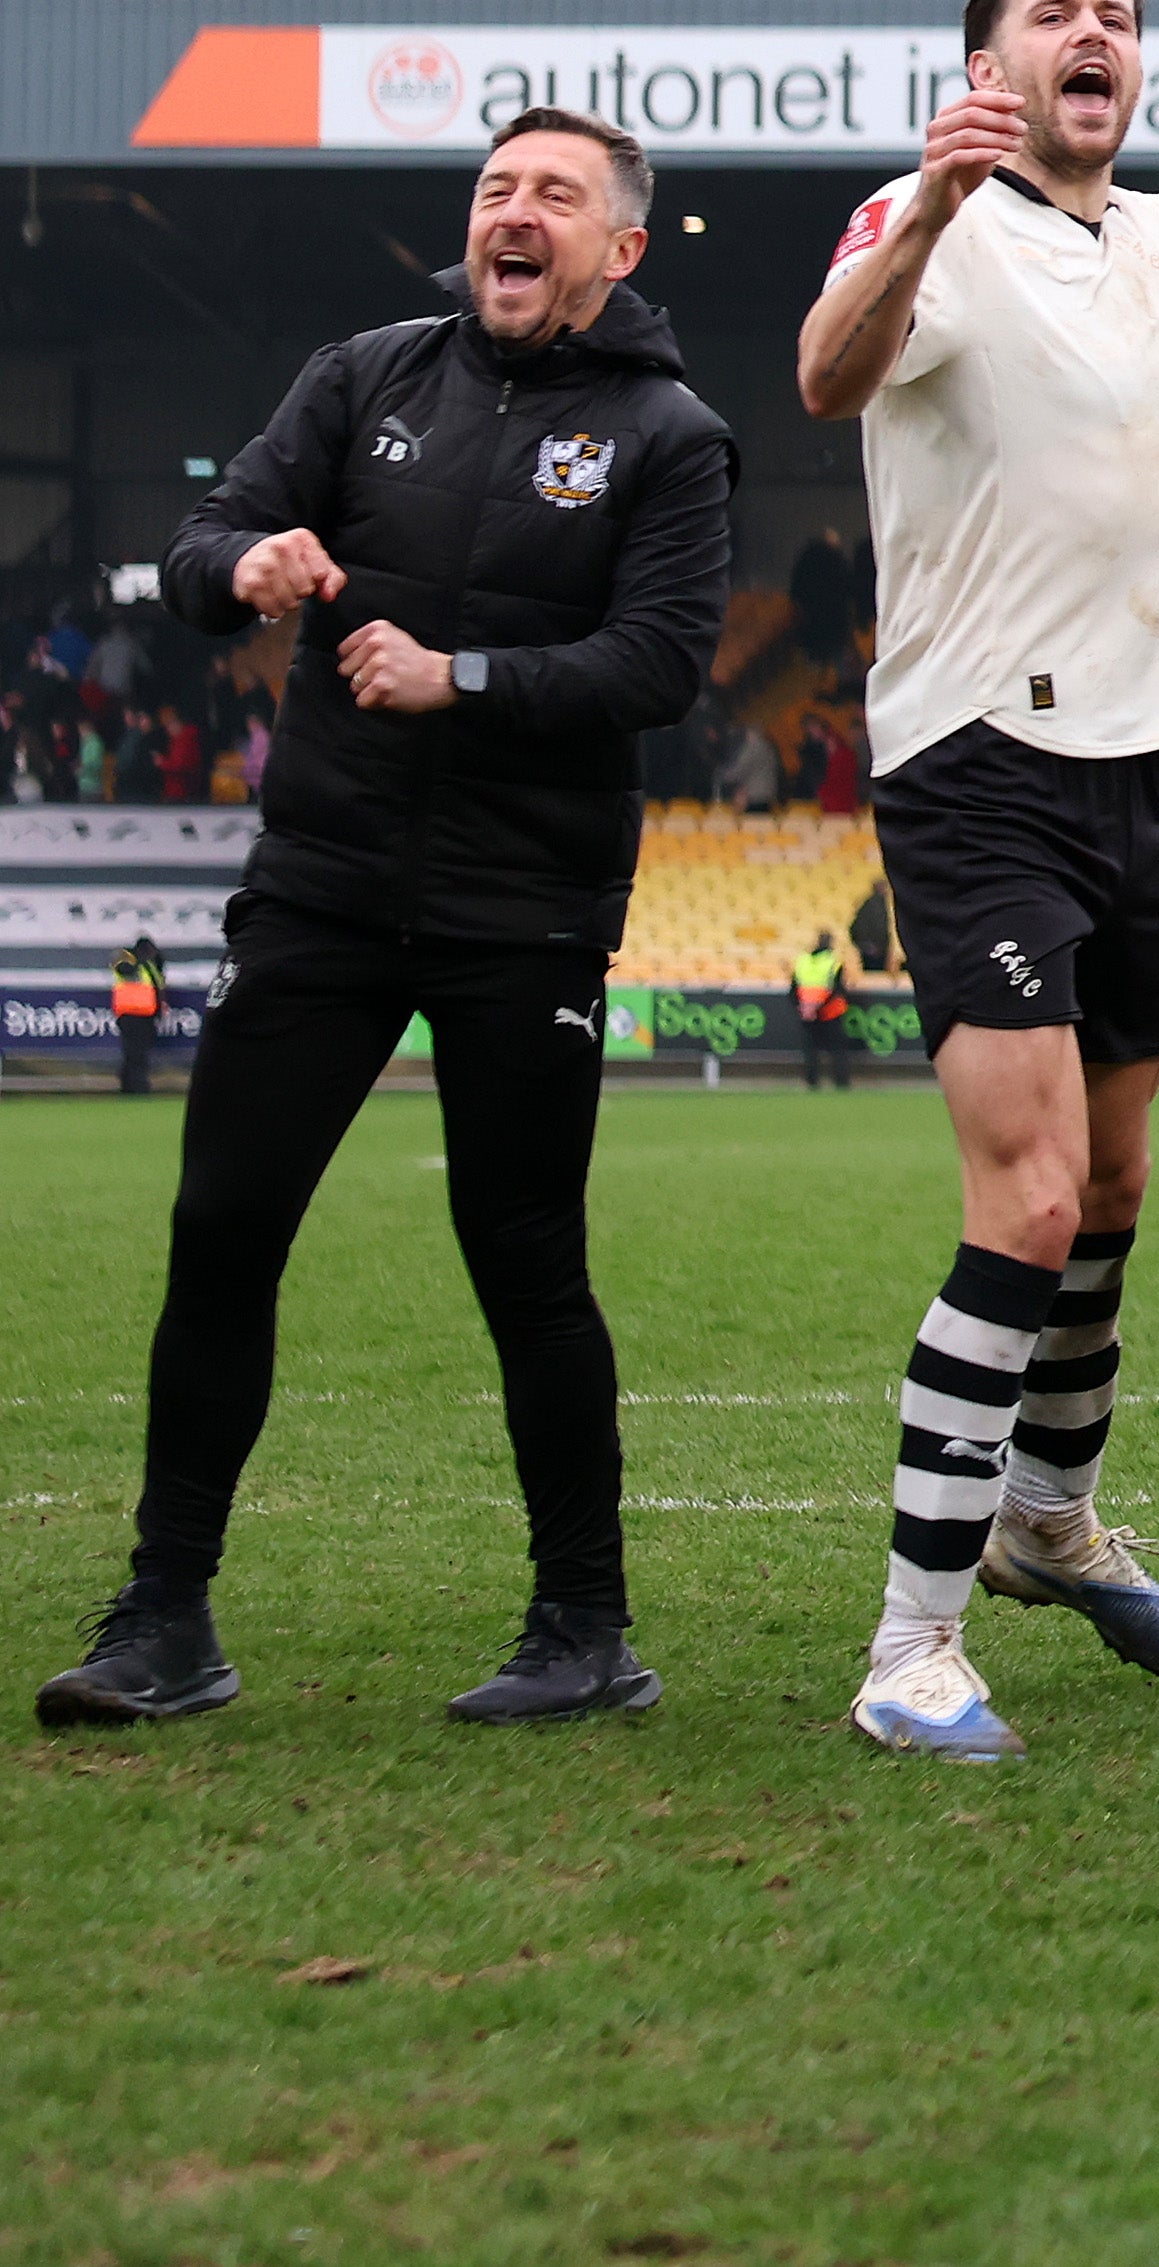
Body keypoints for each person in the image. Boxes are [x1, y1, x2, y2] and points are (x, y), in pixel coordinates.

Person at [38, 107, 734, 1733]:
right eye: (498, 188)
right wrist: (245, 566)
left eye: (554, 195)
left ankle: (584, 1628)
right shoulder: (365, 375)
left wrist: (457, 679)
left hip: (526, 911)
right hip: (325, 890)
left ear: (618, 247)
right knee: (221, 1234)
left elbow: (663, 668)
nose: (515, 212)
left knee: (523, 1261)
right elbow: (197, 548)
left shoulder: (669, 434)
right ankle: (165, 1621)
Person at [797, 0, 1159, 1761]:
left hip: (1133, 775)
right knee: (1022, 1204)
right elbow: (824, 372)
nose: (1095, 34)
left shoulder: (1141, 242)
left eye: (1115, 14)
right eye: (1056, 15)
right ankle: (908, 1646)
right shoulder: (932, 219)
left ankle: (1044, 1521)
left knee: (1109, 1191)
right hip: (975, 766)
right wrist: (928, 205)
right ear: (983, 69)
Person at [794, 930, 858, 1092]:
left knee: (811, 1050)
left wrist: (805, 1008)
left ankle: (812, 1081)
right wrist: (820, 1006)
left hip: (807, 1013)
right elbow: (838, 989)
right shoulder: (833, 962)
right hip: (830, 1012)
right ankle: (841, 1082)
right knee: (837, 1049)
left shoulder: (803, 961)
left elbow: (793, 988)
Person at [107, 930, 159, 1097]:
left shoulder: (148, 965)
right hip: (129, 1013)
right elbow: (125, 969)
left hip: (145, 1014)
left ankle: (132, 1084)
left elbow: (157, 986)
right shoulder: (127, 959)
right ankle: (136, 1086)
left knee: (138, 1053)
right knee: (134, 1053)